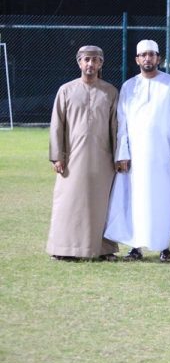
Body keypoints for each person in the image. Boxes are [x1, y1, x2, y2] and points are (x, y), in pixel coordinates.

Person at [104, 39, 170, 262]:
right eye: (143, 55)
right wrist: (123, 154)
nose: (147, 58)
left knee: (164, 200)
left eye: (152, 54)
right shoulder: (129, 86)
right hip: (137, 157)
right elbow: (122, 123)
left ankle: (164, 247)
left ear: (158, 58)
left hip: (164, 155)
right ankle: (136, 247)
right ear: (137, 59)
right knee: (136, 201)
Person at [47, 45, 119, 261]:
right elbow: (57, 125)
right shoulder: (66, 90)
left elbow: (116, 128)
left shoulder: (110, 92)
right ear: (79, 62)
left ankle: (103, 249)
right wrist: (57, 156)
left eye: (95, 60)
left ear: (101, 64)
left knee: (101, 204)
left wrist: (118, 157)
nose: (90, 64)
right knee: (68, 203)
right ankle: (64, 248)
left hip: (102, 159)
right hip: (72, 160)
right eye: (86, 59)